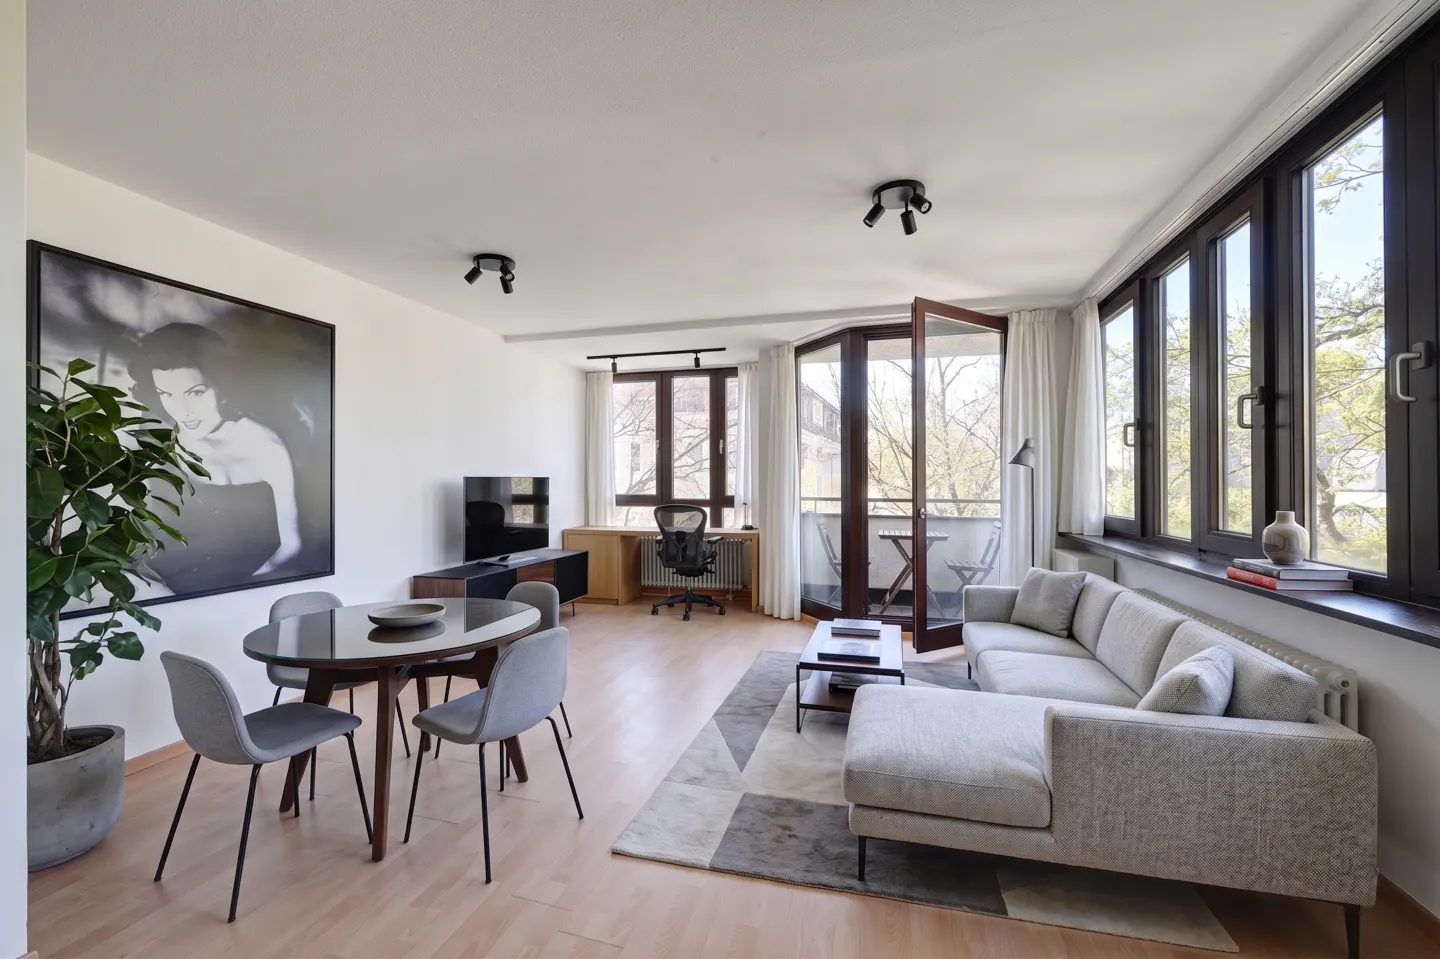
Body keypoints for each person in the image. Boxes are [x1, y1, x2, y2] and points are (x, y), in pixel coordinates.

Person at [129, 322, 300, 593]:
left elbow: (290, 544)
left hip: (228, 595)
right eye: (165, 394)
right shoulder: (154, 432)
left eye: (195, 392)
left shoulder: (265, 446)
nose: (182, 411)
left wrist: (223, 592)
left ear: (223, 384)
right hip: (150, 588)